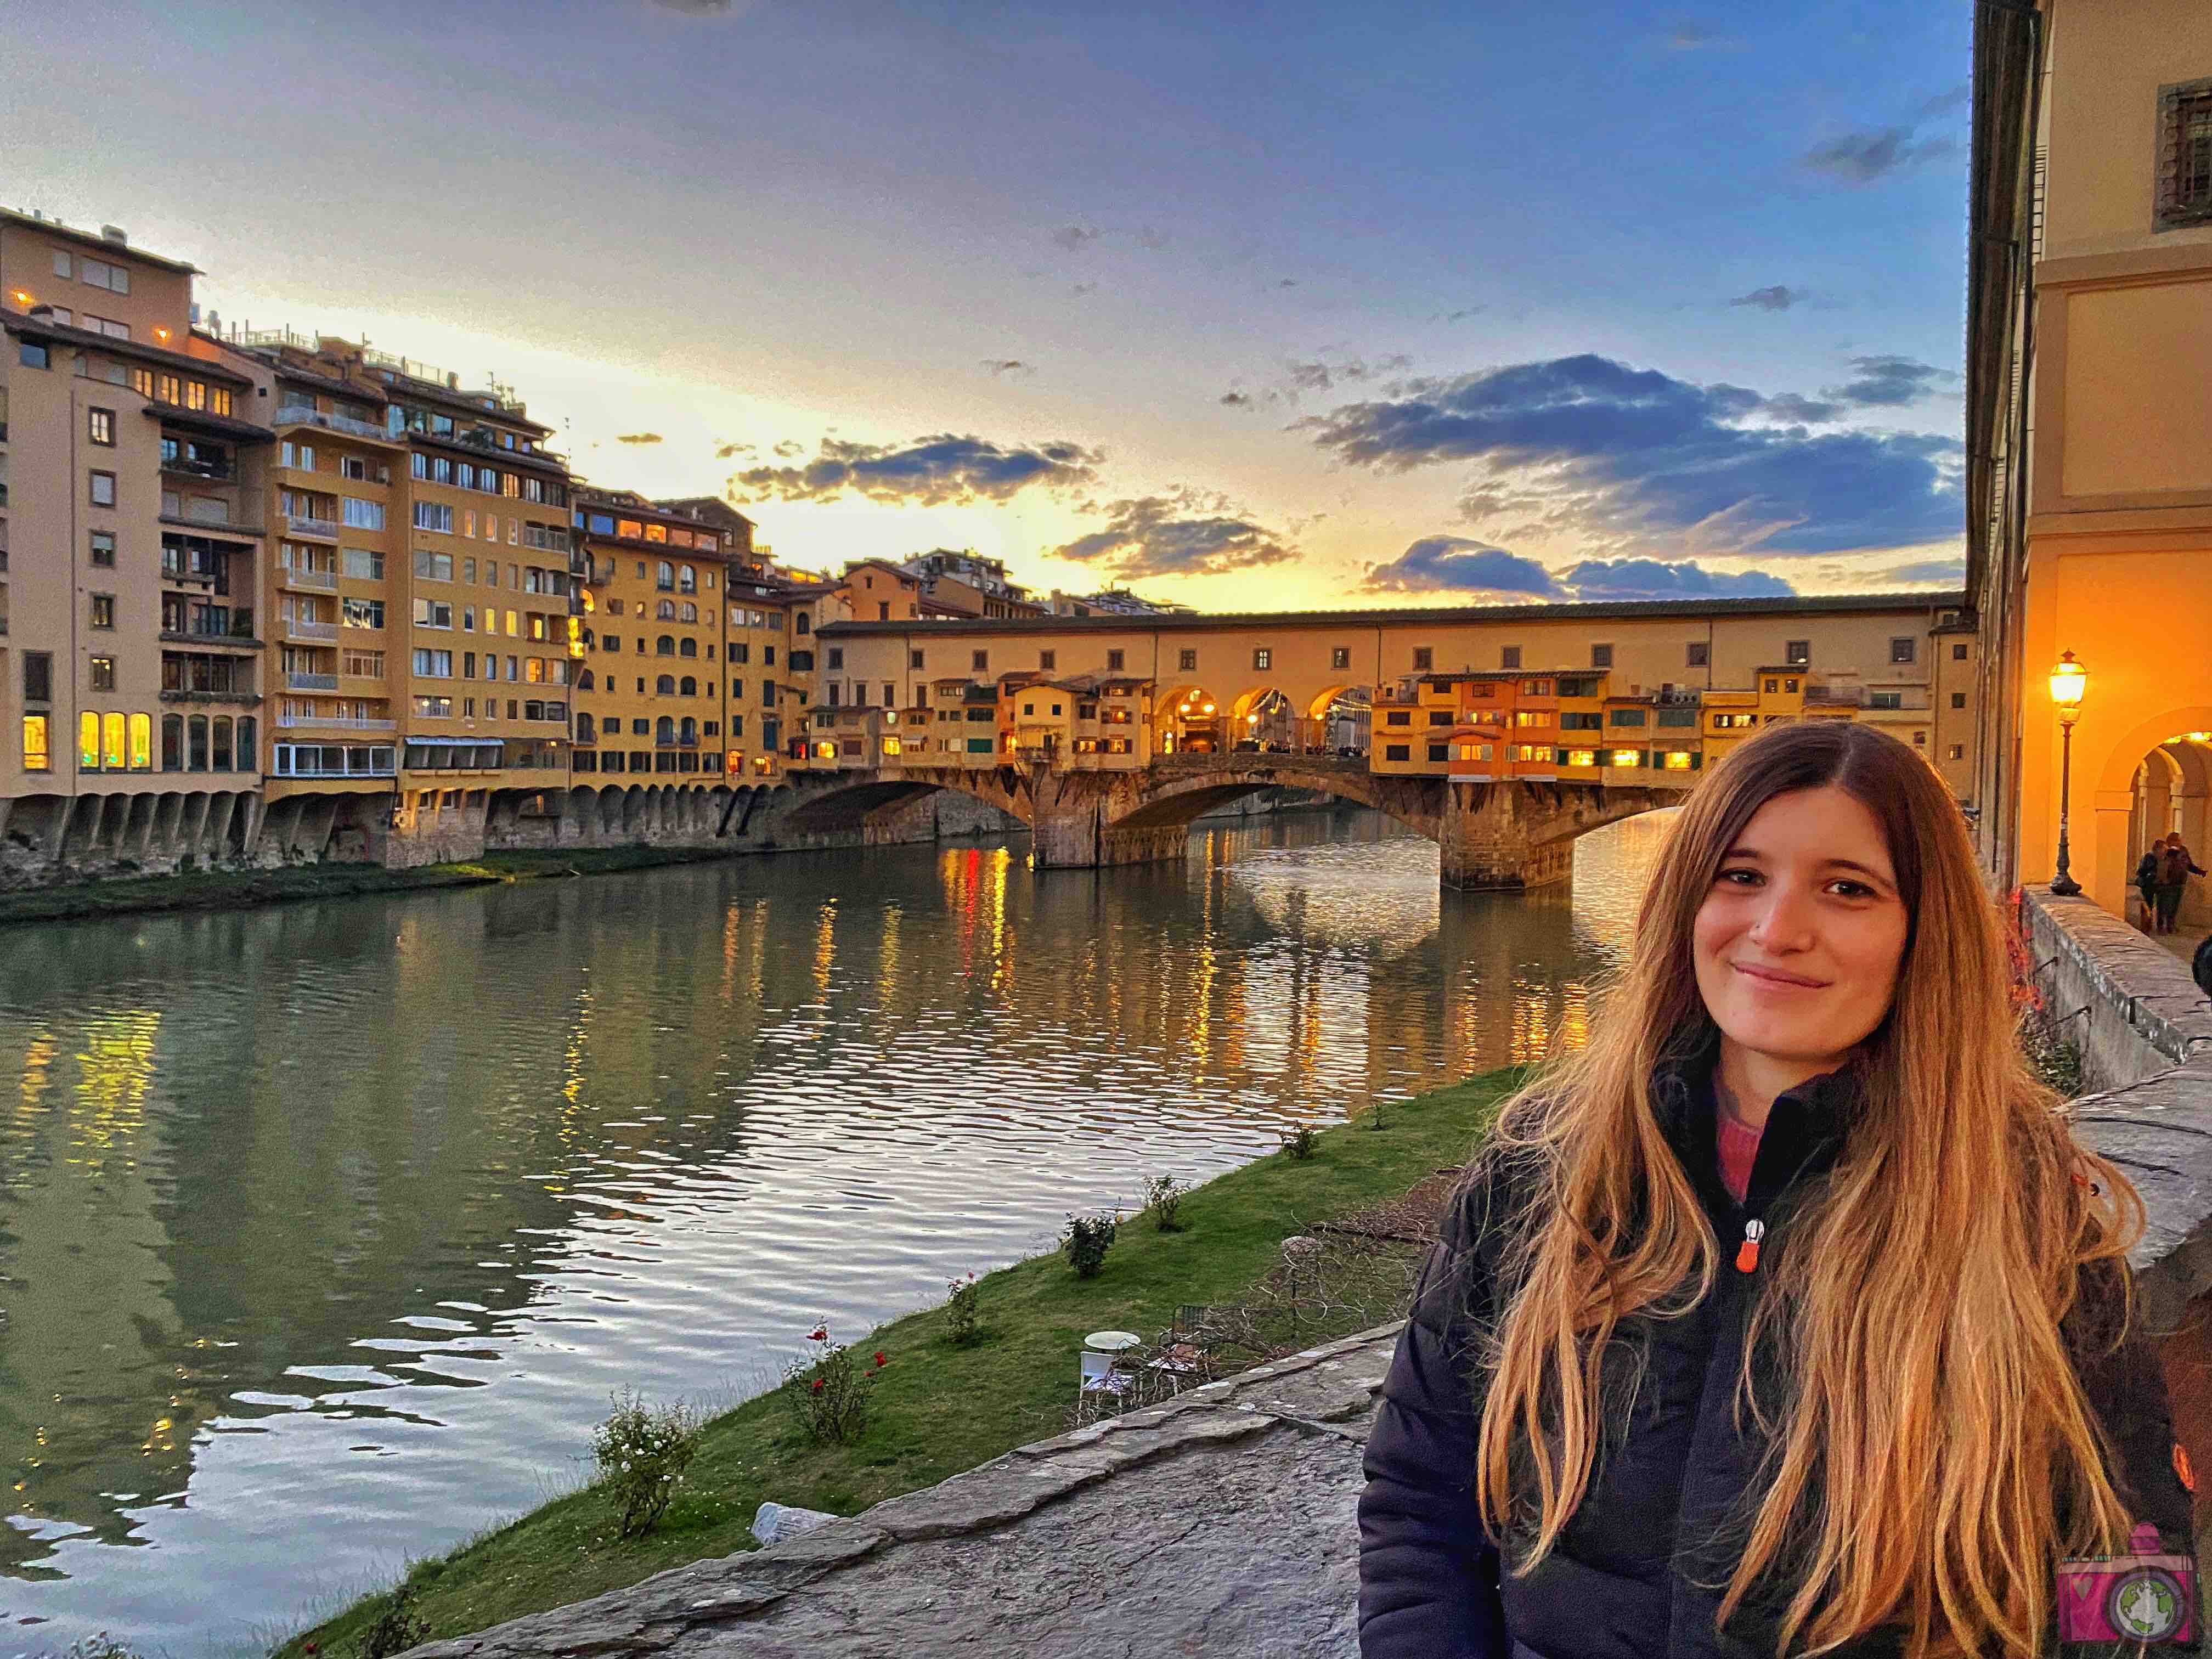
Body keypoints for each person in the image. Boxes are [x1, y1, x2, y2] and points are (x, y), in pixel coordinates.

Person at [1358, 720, 2197, 1659]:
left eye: (1846, 888)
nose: (1776, 929)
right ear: (1685, 900)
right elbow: (1419, 1507)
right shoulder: (1537, 1172)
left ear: (1923, 930)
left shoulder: (2026, 1219)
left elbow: (2132, 1579)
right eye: (1740, 874)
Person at [2156, 833, 2206, 935]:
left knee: (2175, 906)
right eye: (2175, 840)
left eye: (2179, 840)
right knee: (2163, 905)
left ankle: (2171, 925)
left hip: (2180, 883)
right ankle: (2160, 926)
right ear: (2170, 841)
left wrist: (2199, 872)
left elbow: (2188, 865)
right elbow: (2160, 864)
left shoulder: (2184, 851)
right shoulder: (2165, 850)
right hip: (2166, 884)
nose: (2178, 842)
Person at [2141, 847, 2168, 933]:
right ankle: (2147, 926)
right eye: (2163, 849)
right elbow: (2145, 870)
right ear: (2157, 849)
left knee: (2162, 906)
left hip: (2161, 884)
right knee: (2148, 905)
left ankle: (2159, 926)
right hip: (2149, 884)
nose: (2165, 851)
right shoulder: (2149, 857)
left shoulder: (2165, 858)